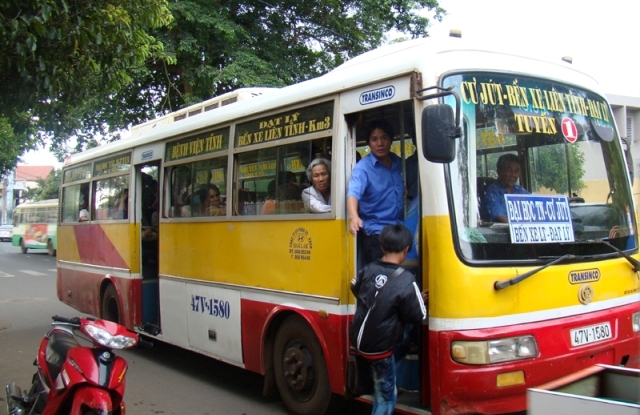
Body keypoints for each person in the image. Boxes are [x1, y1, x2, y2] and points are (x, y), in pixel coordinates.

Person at [350, 223, 427, 415]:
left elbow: (356, 287)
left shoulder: (368, 269)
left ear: (382, 247)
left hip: (361, 341)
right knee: (386, 397)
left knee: (382, 382)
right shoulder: (406, 279)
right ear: (406, 250)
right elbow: (419, 315)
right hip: (381, 350)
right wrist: (419, 298)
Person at [347, 119, 404, 263]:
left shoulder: (397, 162)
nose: (380, 143)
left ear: (391, 140)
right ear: (369, 143)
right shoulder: (363, 168)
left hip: (398, 229)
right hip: (376, 233)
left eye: (384, 138)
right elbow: (353, 194)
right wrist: (354, 216)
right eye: (374, 139)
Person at [484, 154, 530, 223]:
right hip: (502, 232)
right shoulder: (492, 192)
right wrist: (518, 227)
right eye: (509, 171)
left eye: (516, 171)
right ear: (499, 172)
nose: (513, 175)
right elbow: (499, 217)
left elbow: (535, 205)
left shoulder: (520, 190)